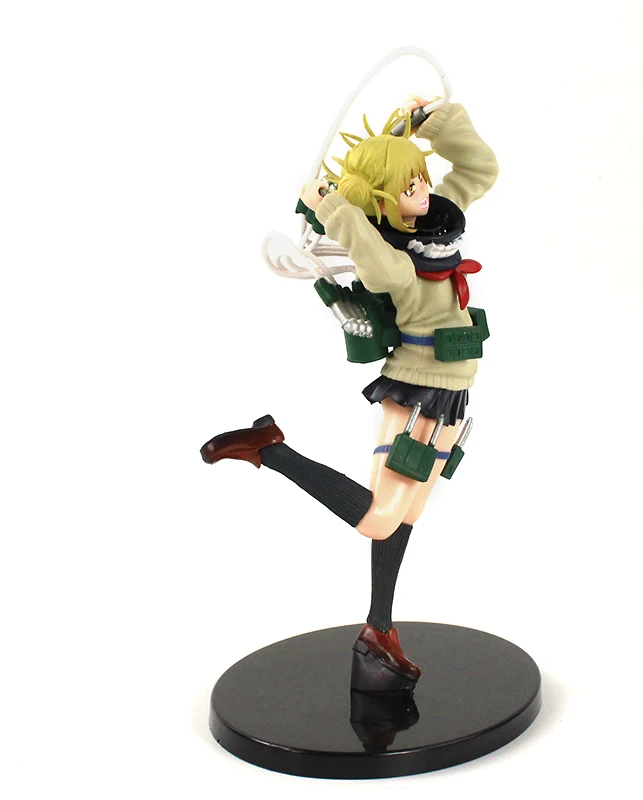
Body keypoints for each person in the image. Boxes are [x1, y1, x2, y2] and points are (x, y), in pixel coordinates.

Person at [201, 98, 498, 692]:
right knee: (381, 518)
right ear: (382, 201)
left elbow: (479, 170)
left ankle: (378, 630)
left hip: (453, 393)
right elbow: (378, 265)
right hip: (419, 390)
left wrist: (435, 124)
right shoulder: (396, 260)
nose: (423, 191)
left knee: (409, 513)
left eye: (421, 178)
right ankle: (270, 448)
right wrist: (334, 206)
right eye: (407, 186)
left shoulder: (438, 225)